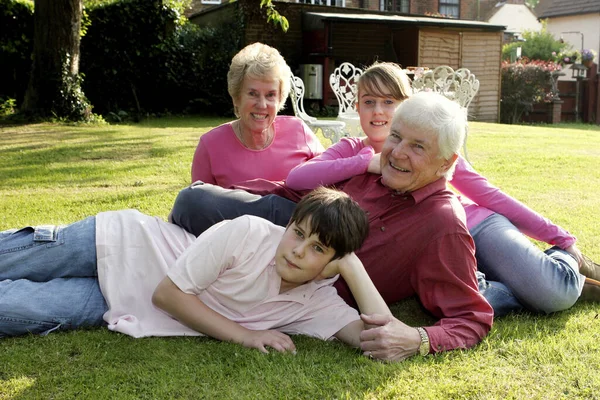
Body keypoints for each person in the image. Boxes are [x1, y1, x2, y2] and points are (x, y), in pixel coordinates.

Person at [169, 91, 495, 362]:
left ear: (447, 163)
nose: (397, 153)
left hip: (310, 292)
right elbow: (294, 193)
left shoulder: (442, 222)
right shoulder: (371, 171)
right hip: (283, 236)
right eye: (396, 136)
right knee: (193, 202)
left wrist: (418, 338)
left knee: (194, 209)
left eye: (418, 146)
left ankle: (492, 283)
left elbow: (472, 319)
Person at [285, 62, 600, 316]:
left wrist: (560, 236)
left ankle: (568, 266)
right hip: (431, 244)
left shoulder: (437, 150)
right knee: (453, 297)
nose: (378, 111)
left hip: (477, 226)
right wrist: (364, 163)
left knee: (551, 294)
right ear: (357, 107)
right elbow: (297, 179)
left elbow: (490, 195)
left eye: (389, 102)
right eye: (369, 102)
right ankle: (519, 283)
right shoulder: (351, 150)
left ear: (407, 107)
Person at [0, 187, 394, 355]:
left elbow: (382, 340)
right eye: (298, 234)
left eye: (318, 249)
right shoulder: (250, 233)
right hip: (116, 242)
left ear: (331, 265)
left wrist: (354, 267)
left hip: (118, 301)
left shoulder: (317, 302)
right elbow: (168, 295)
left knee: (13, 310)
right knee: (11, 257)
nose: (296, 251)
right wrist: (246, 336)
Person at [190, 42, 324, 188]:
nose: (262, 105)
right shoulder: (210, 146)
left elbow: (330, 183)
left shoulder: (298, 131)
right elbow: (198, 205)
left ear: (280, 99)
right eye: (252, 94)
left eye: (270, 95)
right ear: (236, 97)